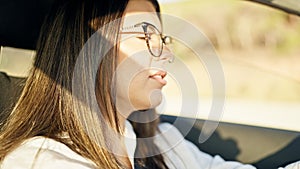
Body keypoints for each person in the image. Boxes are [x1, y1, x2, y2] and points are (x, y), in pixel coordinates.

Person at [1, 0, 297, 168]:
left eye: (163, 38)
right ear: (88, 52)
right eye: (146, 36)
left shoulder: (161, 143)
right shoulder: (39, 161)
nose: (167, 53)